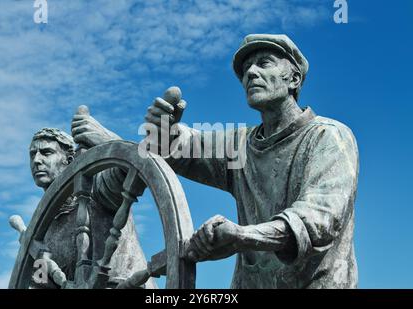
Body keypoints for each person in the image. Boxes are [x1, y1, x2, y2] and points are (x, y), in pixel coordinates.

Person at [74, 34, 359, 289]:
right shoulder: (241, 143)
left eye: (264, 63)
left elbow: (318, 220)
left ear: (293, 79)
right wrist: (163, 132)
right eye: (246, 69)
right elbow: (186, 147)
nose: (251, 73)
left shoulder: (329, 137)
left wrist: (242, 236)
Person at [28, 127, 156, 288]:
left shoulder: (98, 190)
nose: (36, 160)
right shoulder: (42, 229)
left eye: (46, 153)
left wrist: (108, 141)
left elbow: (132, 165)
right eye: (32, 154)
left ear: (68, 160)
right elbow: (40, 283)